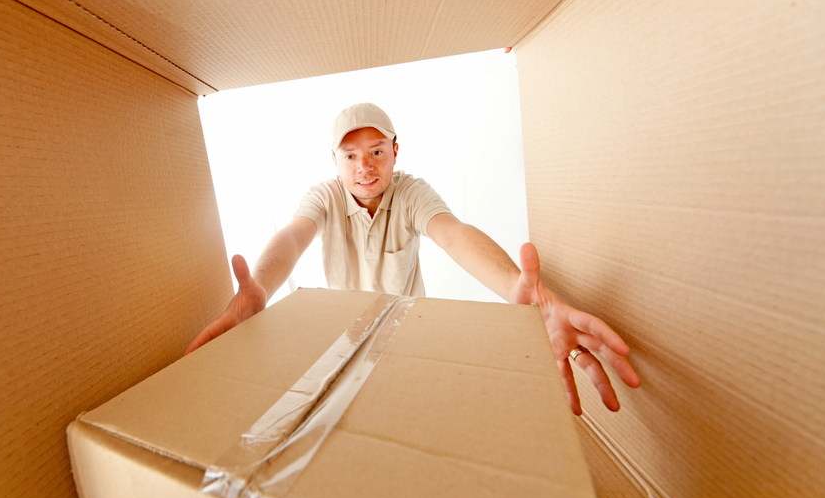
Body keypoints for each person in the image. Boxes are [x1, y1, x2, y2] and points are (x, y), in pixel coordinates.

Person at [186, 103, 640, 415]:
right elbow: (291, 237)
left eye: (377, 152)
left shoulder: (410, 192)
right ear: (335, 161)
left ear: (395, 152)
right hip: (342, 339)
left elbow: (455, 236)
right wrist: (259, 288)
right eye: (351, 156)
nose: (365, 167)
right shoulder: (324, 196)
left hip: (405, 338)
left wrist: (524, 292)